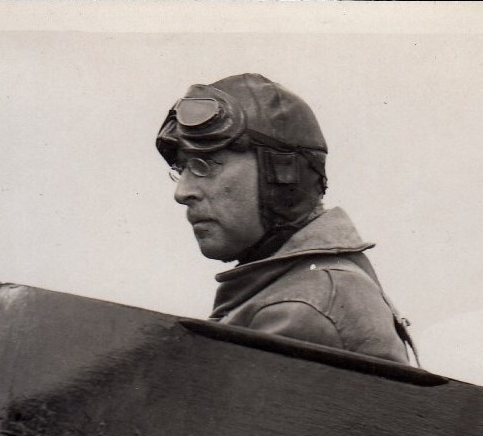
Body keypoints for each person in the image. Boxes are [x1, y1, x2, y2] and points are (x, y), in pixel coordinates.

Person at [156, 73, 415, 364]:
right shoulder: (307, 289)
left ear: (282, 177)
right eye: (182, 169)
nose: (183, 192)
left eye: (205, 165)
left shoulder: (299, 310)